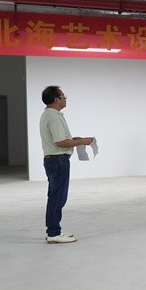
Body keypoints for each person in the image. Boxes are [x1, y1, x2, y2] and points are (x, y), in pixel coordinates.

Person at [39, 86, 94, 243]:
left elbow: (59, 139)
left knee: (55, 197)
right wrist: (82, 141)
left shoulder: (49, 114)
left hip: (54, 160)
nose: (65, 99)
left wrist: (75, 139)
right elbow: (60, 142)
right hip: (58, 161)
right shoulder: (54, 117)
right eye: (63, 96)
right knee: (58, 198)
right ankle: (53, 233)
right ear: (56, 99)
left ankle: (54, 230)